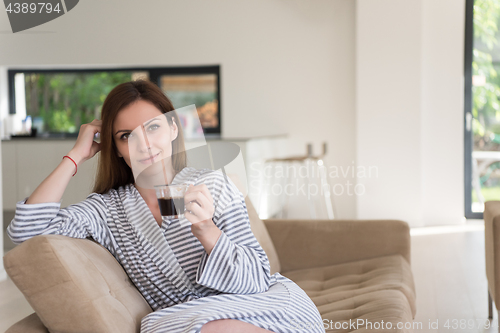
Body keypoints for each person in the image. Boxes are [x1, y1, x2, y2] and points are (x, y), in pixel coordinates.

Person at [7, 80, 325, 333]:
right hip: (183, 320)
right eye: (126, 135)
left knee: (224, 327)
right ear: (116, 149)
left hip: (257, 304)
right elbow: (27, 233)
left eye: (154, 127)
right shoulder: (106, 211)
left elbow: (256, 279)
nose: (144, 144)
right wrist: (76, 155)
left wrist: (207, 231)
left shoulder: (213, 183)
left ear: (173, 129)